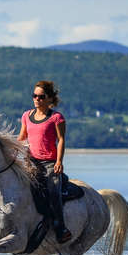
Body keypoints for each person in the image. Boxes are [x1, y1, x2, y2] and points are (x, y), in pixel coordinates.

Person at [18, 80, 72, 244]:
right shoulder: (26, 116)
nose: (37, 99)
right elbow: (22, 138)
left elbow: (61, 140)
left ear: (49, 99)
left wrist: (59, 161)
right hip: (31, 163)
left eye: (41, 97)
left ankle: (60, 228)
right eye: (34, 96)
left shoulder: (56, 118)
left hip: (49, 163)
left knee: (53, 192)